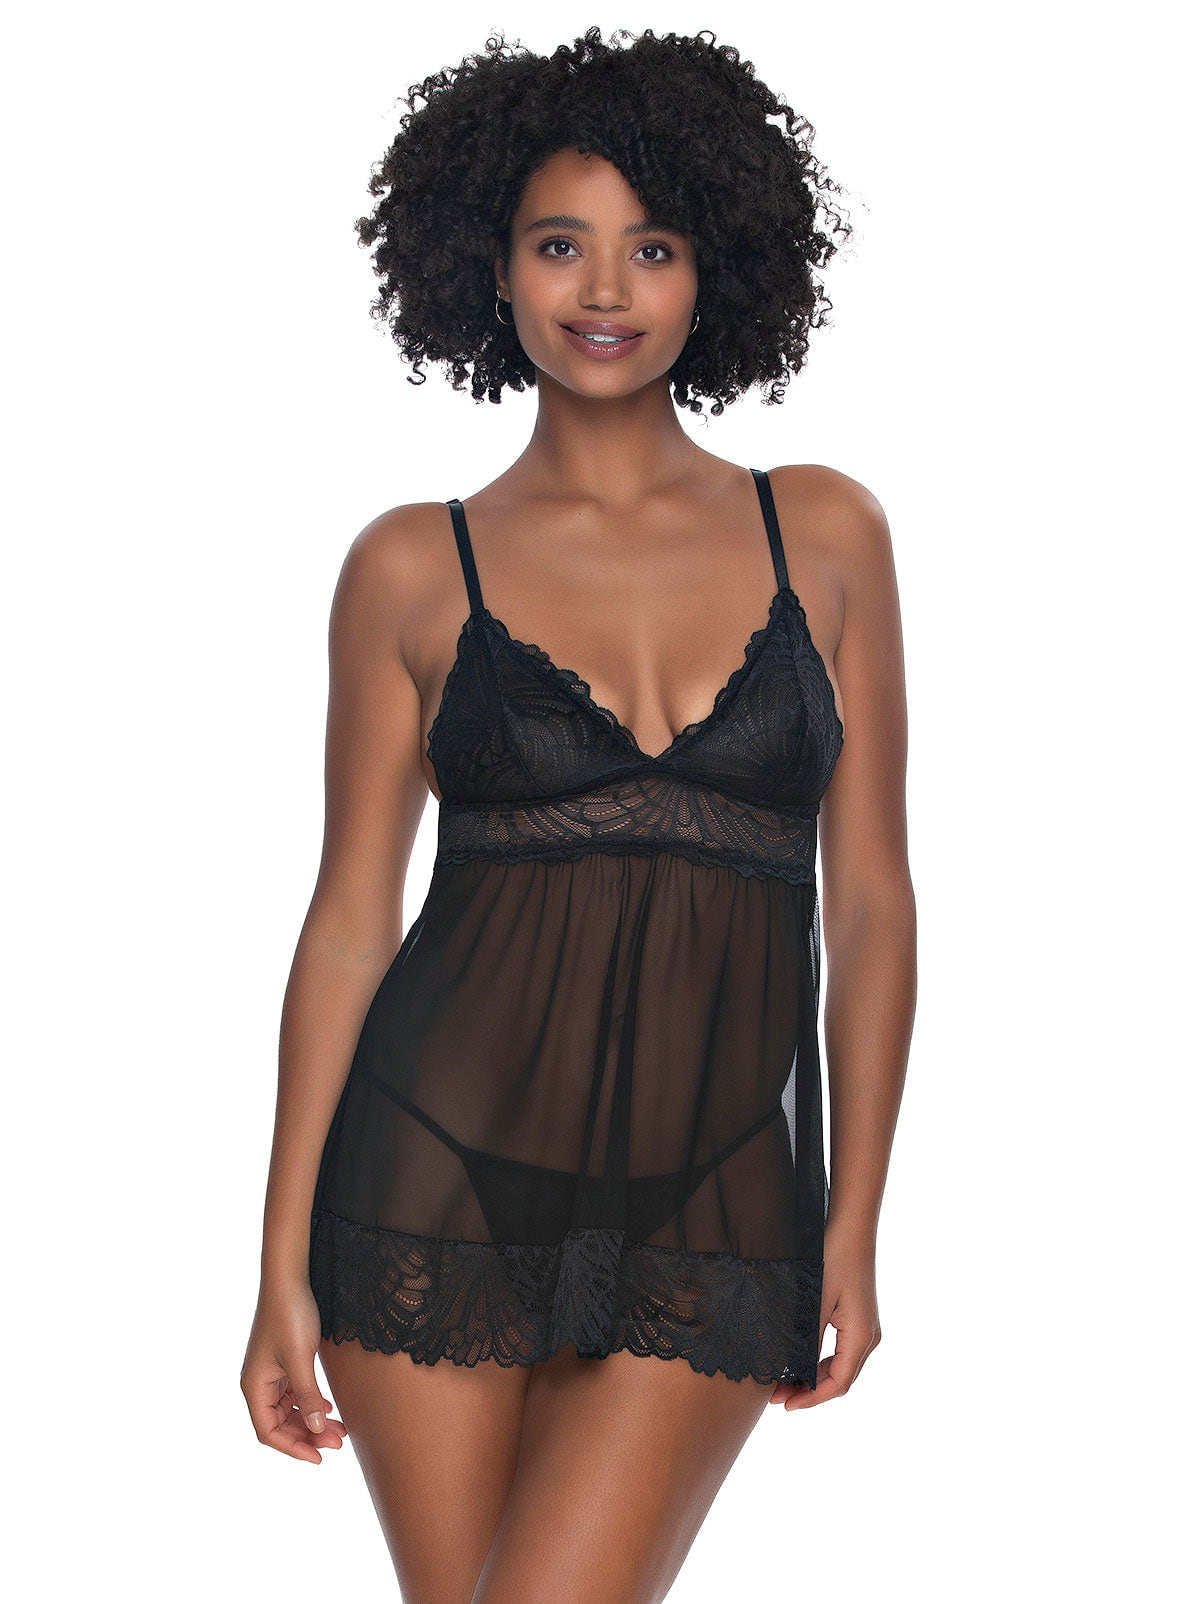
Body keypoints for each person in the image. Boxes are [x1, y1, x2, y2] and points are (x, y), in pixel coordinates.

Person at [241, 25, 916, 1604]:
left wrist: (857, 1221)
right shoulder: (412, 565)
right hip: (432, 1173)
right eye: (560, 244)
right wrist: (276, 1265)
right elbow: (349, 924)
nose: (604, 289)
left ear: (714, 271)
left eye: (652, 247)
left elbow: (874, 904)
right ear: (491, 267)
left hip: (715, 1192)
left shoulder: (823, 532)